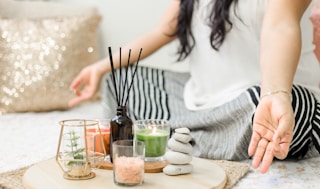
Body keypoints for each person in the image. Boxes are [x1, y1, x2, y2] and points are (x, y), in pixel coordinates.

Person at [69, 0, 320, 173]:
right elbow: (164, 30)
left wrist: (275, 93)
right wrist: (100, 67)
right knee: (121, 80)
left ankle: (183, 138)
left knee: (293, 109)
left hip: (264, 101)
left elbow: (279, 24)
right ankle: (202, 138)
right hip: (201, 103)